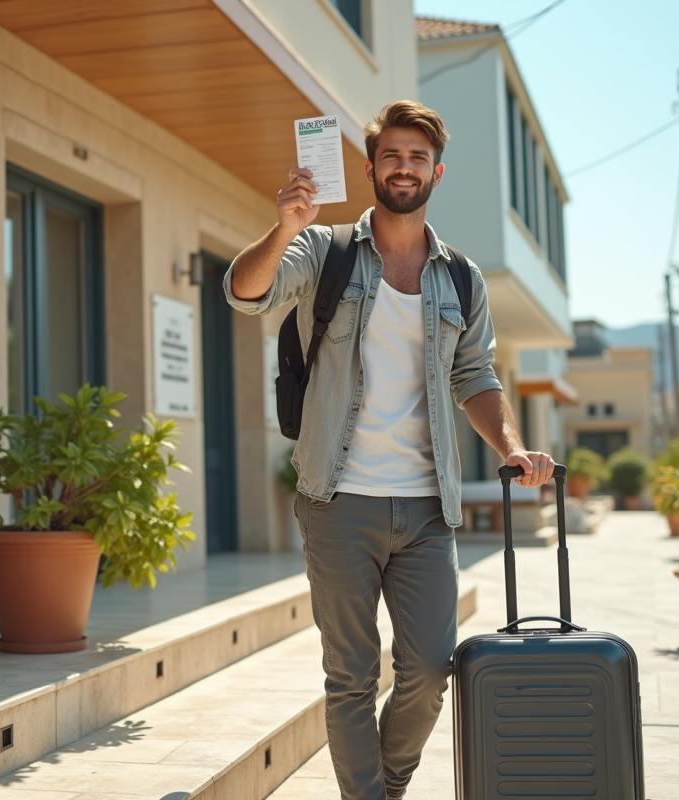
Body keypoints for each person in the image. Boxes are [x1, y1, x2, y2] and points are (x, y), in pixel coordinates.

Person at [223, 101, 554, 800]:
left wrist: (515, 446)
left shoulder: (460, 277)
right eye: (393, 157)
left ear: (438, 171)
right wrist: (285, 225)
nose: (405, 168)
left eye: (418, 157)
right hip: (338, 500)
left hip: (429, 508)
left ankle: (386, 787)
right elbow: (245, 293)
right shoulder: (325, 252)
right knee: (350, 676)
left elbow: (476, 375)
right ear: (371, 168)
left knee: (431, 669)